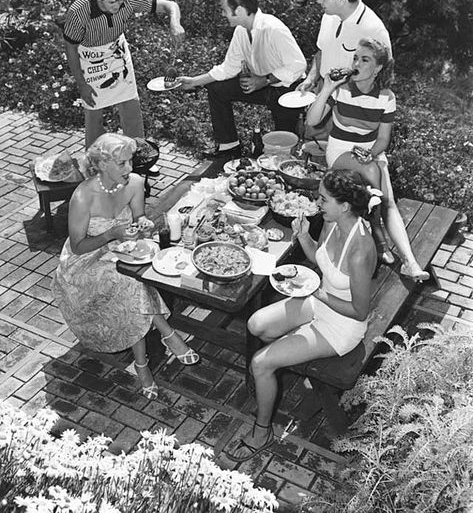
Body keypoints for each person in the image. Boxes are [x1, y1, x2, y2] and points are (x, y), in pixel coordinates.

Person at [227, 169, 377, 462]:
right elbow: (317, 256)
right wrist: (302, 235)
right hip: (319, 302)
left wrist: (318, 292)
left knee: (260, 363)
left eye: (323, 199)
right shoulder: (333, 223)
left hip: (342, 325)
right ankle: (292, 353)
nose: (318, 203)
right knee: (255, 323)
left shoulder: (361, 250)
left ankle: (262, 431)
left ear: (344, 205)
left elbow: (360, 311)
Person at [51, 133, 199, 401]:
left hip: (122, 253)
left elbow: (139, 217)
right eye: (121, 164)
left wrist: (144, 225)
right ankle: (166, 336)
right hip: (84, 263)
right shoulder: (83, 196)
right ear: (102, 164)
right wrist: (111, 235)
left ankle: (143, 363)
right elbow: (77, 246)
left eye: (130, 161)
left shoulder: (135, 183)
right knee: (131, 283)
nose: (129, 169)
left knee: (133, 280)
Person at [305, 37, 430, 282]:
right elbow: (312, 121)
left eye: (365, 59)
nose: (357, 63)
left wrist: (370, 153)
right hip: (340, 150)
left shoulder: (386, 97)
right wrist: (327, 87)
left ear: (379, 68)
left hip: (371, 151)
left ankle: (410, 262)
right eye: (355, 58)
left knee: (389, 200)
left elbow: (383, 139)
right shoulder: (341, 90)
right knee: (374, 176)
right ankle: (379, 236)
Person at [177, 0, 307, 160]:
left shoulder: (274, 28)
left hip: (287, 90)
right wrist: (194, 81)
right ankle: (229, 147)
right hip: (262, 85)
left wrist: (264, 80)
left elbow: (299, 64)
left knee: (281, 151)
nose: (222, 14)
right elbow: (229, 68)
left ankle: (282, 158)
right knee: (217, 89)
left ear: (238, 10)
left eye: (224, 9)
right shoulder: (240, 31)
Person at [64, 0, 185, 148]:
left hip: (117, 51)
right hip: (90, 57)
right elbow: (71, 48)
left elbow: (170, 5)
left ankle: (139, 155)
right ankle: (95, 161)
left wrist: (175, 23)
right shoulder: (79, 11)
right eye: (112, 2)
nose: (118, 5)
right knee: (94, 111)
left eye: (120, 1)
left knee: (131, 105)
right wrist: (81, 84)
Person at [297, 0, 391, 144]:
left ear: (341, 0)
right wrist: (311, 79)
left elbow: (384, 75)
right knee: (312, 147)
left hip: (352, 103)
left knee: (341, 160)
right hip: (324, 90)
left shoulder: (373, 29)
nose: (317, 1)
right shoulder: (329, 16)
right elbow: (321, 51)